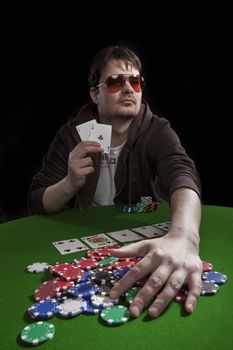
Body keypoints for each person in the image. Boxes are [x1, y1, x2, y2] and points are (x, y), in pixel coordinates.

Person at [28, 45, 202, 318]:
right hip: (78, 229)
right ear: (95, 94)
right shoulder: (72, 135)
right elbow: (38, 200)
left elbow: (182, 174)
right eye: (115, 82)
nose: (129, 89)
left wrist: (185, 236)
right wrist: (69, 183)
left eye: (135, 81)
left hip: (138, 221)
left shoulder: (157, 130)